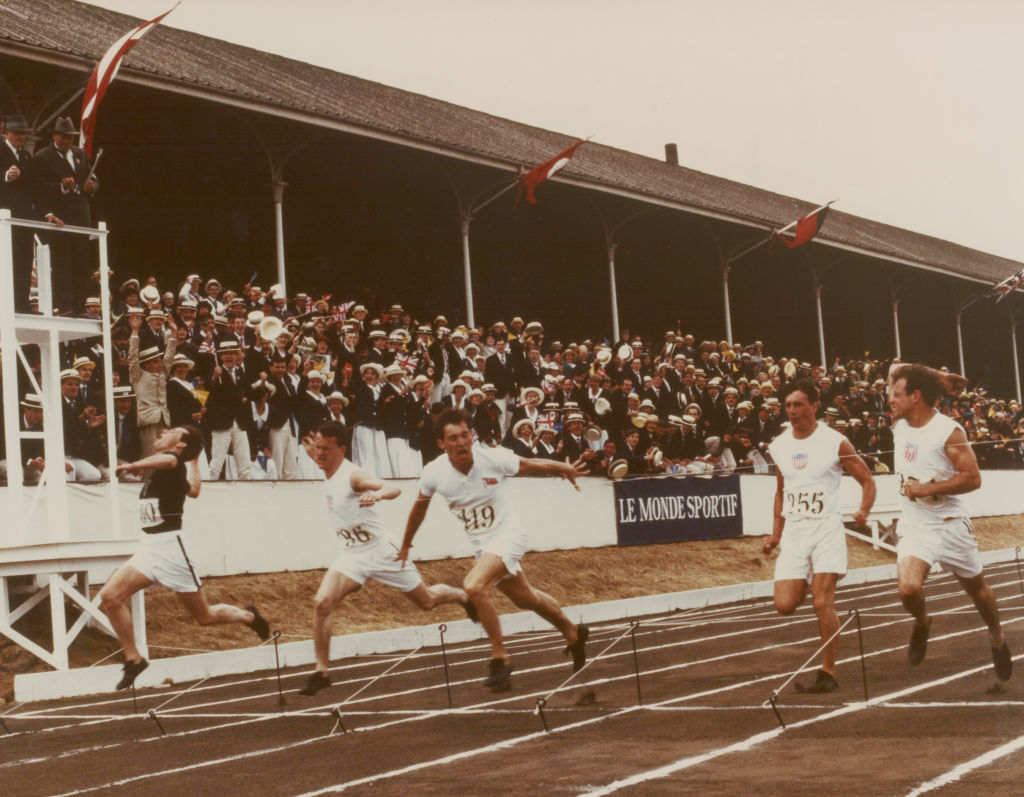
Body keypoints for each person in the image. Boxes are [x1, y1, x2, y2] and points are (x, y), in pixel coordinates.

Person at [398, 408, 589, 690]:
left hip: (509, 535)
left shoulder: (492, 457)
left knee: (474, 586)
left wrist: (564, 467)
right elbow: (419, 507)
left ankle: (500, 657)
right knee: (527, 599)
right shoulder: (434, 472)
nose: (462, 443)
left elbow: (529, 462)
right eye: (453, 438)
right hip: (484, 546)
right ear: (441, 443)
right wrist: (405, 544)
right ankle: (573, 633)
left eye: (466, 435)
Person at [297, 421, 474, 696]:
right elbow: (321, 458)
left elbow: (392, 488)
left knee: (426, 601)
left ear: (342, 450)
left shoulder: (354, 476)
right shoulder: (326, 464)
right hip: (352, 554)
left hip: (382, 551)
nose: (319, 454)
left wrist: (377, 494)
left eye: (326, 450)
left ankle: (462, 597)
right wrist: (315, 452)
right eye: (317, 449)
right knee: (322, 602)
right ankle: (321, 671)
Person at [97, 425, 269, 690]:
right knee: (110, 598)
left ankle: (249, 617)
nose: (163, 432)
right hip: (148, 547)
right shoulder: (175, 469)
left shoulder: (171, 461)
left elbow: (168, 460)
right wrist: (195, 462)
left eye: (172, 432)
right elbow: (195, 490)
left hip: (171, 548)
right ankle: (134, 659)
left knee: (205, 617)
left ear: (179, 446)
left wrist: (133, 465)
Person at [887, 362, 1012, 680]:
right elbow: (895, 366)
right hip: (916, 524)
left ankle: (996, 635)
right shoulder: (899, 423)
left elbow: (972, 478)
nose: (890, 397)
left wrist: (928, 489)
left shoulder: (947, 431)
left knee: (978, 591)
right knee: (908, 590)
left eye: (897, 393)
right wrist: (938, 378)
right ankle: (922, 622)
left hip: (951, 523)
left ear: (915, 396)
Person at [762, 379, 876, 693]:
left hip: (826, 529)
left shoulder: (835, 441)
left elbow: (867, 480)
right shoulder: (780, 444)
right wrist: (775, 534)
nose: (792, 411)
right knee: (784, 605)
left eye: (799, 405)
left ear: (814, 407)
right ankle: (807, 580)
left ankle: (828, 672)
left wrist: (863, 511)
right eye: (787, 405)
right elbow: (781, 491)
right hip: (795, 534)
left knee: (822, 602)